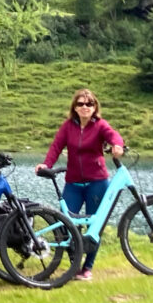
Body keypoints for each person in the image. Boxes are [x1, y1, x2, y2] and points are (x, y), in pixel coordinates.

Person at [35, 88, 124, 282]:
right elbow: (56, 146)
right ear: (74, 107)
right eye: (80, 104)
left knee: (95, 226)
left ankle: (87, 268)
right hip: (73, 183)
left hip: (97, 182)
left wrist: (118, 145)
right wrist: (46, 164)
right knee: (64, 222)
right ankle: (75, 261)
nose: (85, 107)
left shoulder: (100, 125)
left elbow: (113, 135)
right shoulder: (68, 126)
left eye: (89, 104)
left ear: (95, 107)